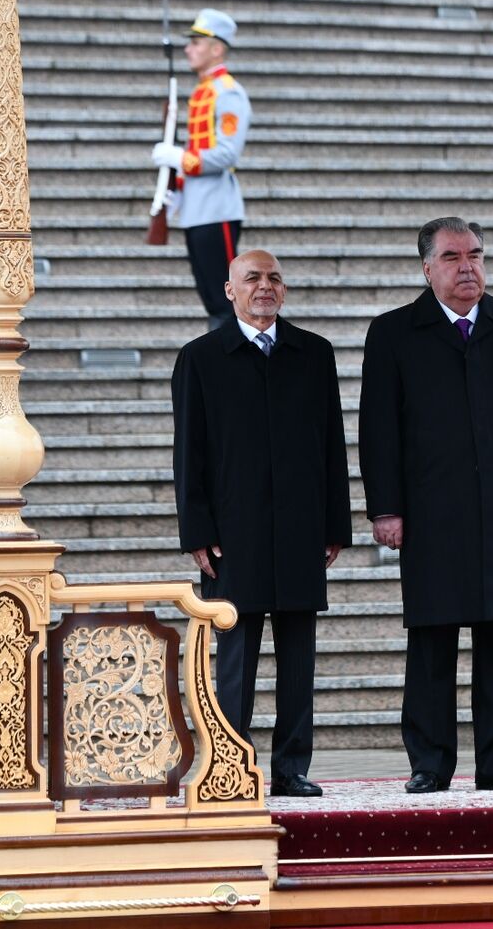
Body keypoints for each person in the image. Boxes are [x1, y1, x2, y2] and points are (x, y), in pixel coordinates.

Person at [358, 217, 493, 794]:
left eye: (475, 254)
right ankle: (430, 762)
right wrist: (386, 509)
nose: (467, 266)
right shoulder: (394, 333)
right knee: (431, 640)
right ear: (428, 269)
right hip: (431, 513)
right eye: (452, 257)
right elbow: (378, 430)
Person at [171, 249, 351, 798]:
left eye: (274, 278)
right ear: (230, 291)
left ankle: (292, 768)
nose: (265, 286)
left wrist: (334, 526)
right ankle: (231, 764)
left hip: (300, 529)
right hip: (233, 533)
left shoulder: (313, 354)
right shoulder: (200, 358)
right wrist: (197, 531)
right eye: (253, 278)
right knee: (236, 657)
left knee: (299, 658)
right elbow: (189, 453)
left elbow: (332, 446)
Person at [152, 8, 251, 332]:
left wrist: (180, 159)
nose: (188, 48)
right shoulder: (202, 91)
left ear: (217, 48)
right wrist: (176, 188)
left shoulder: (228, 92)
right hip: (197, 208)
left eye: (196, 42)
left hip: (216, 207)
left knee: (226, 299)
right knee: (212, 299)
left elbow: (226, 154)